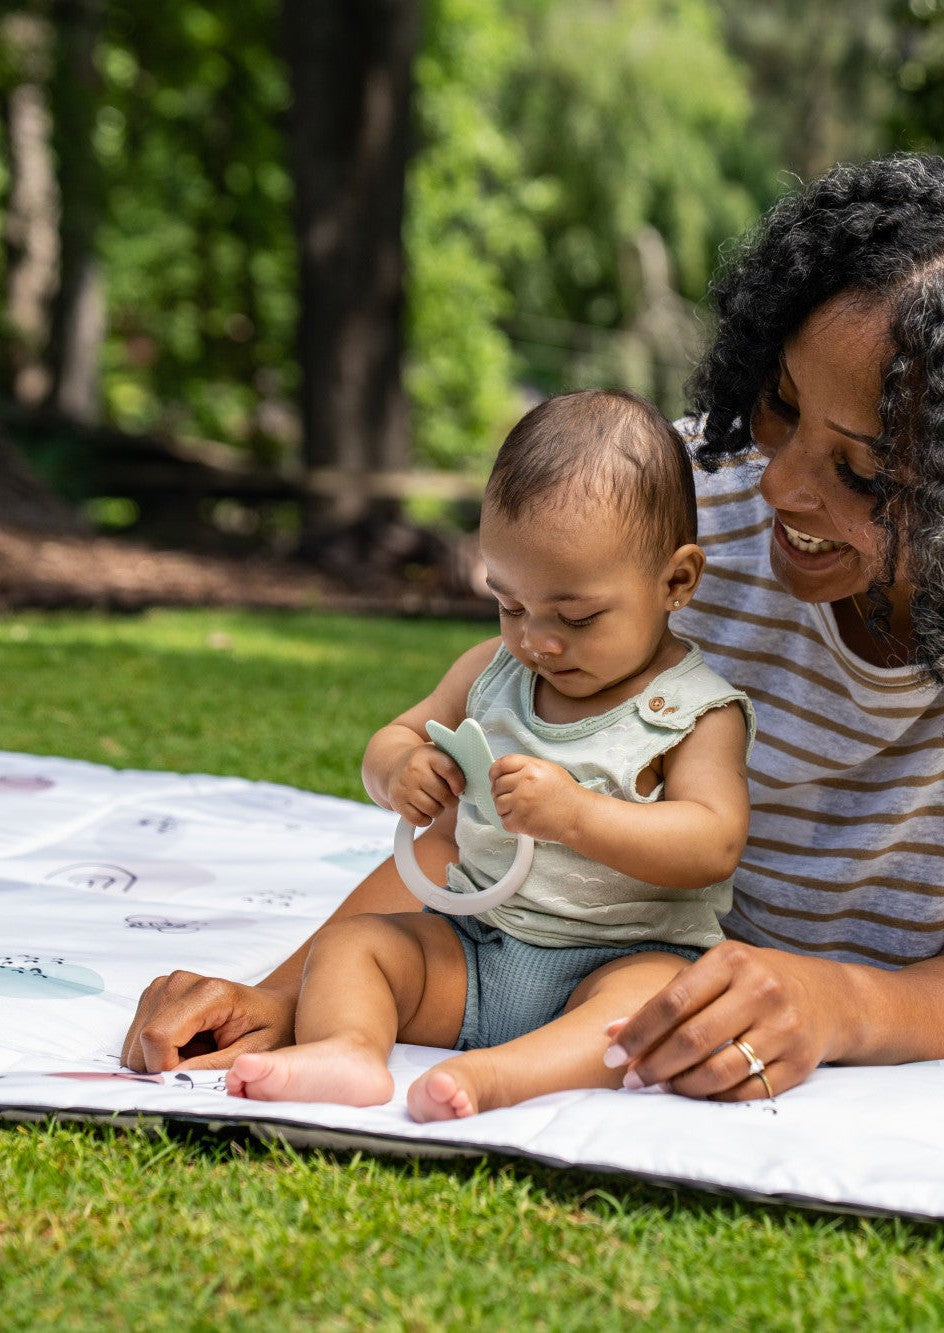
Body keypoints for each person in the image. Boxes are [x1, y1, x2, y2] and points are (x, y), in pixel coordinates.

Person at [124, 154, 944, 1108]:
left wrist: (833, 1002)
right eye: (779, 405)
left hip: (653, 979)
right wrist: (281, 994)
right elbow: (480, 809)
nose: (779, 486)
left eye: (863, 472)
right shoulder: (668, 518)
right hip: (570, 937)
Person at [222, 389, 752, 1118]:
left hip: (621, 956)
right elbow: (394, 737)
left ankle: (501, 1077)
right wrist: (399, 770)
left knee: (651, 1004)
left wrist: (575, 815)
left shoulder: (694, 712)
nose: (537, 640)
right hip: (476, 945)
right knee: (352, 946)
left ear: (676, 581)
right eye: (510, 605)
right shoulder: (491, 674)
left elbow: (713, 842)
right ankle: (346, 1050)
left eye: (576, 615)